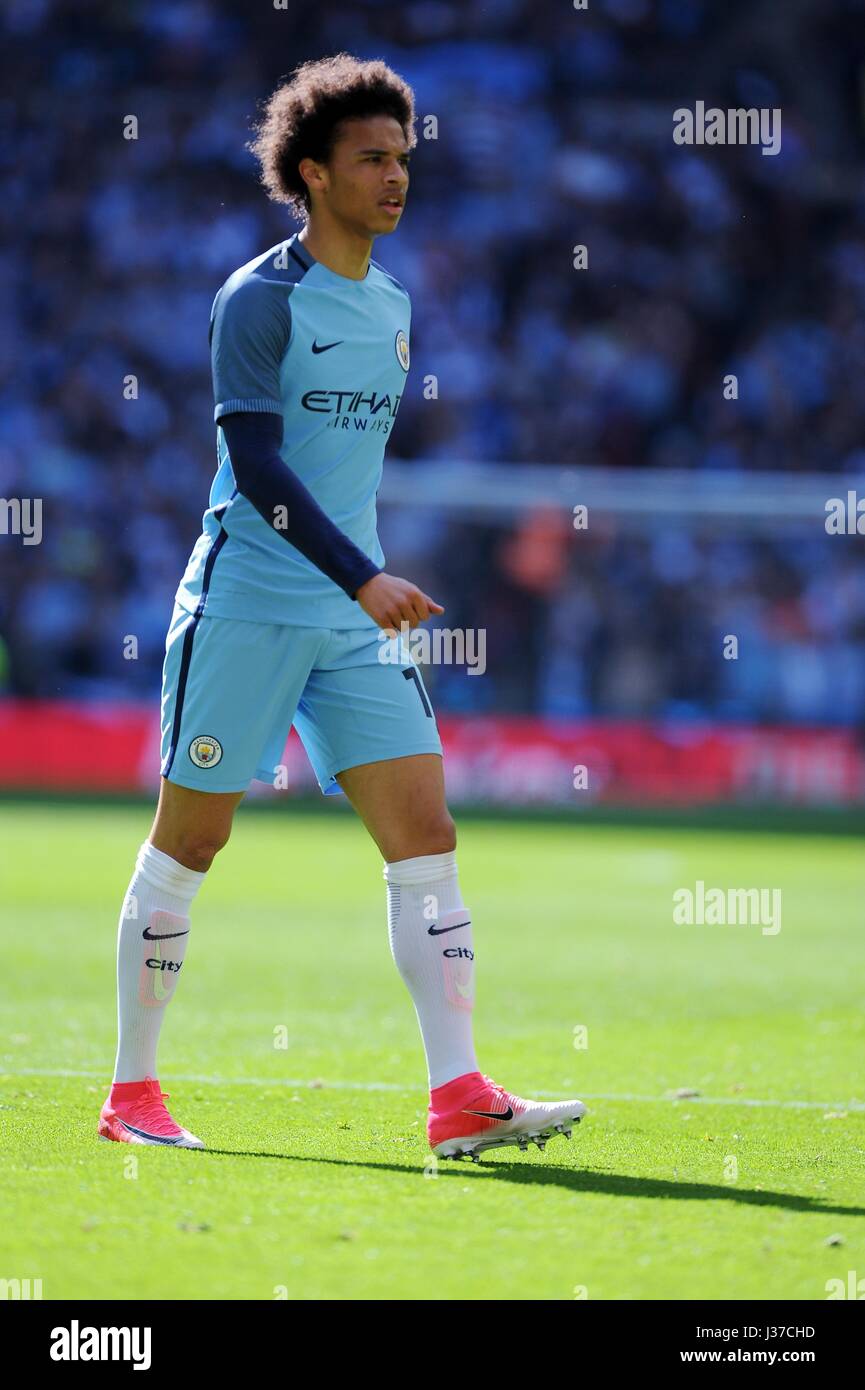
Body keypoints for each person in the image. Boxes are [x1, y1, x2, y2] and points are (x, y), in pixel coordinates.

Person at [98, 53, 585, 1161]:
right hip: (249, 606)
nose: (395, 176)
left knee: (425, 835)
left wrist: (362, 582)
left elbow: (341, 467)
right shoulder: (257, 301)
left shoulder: (394, 305)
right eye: (371, 158)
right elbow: (259, 466)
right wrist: (360, 574)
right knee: (194, 839)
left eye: (403, 157)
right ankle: (132, 1091)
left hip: (350, 619)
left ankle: (458, 1094)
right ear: (311, 173)